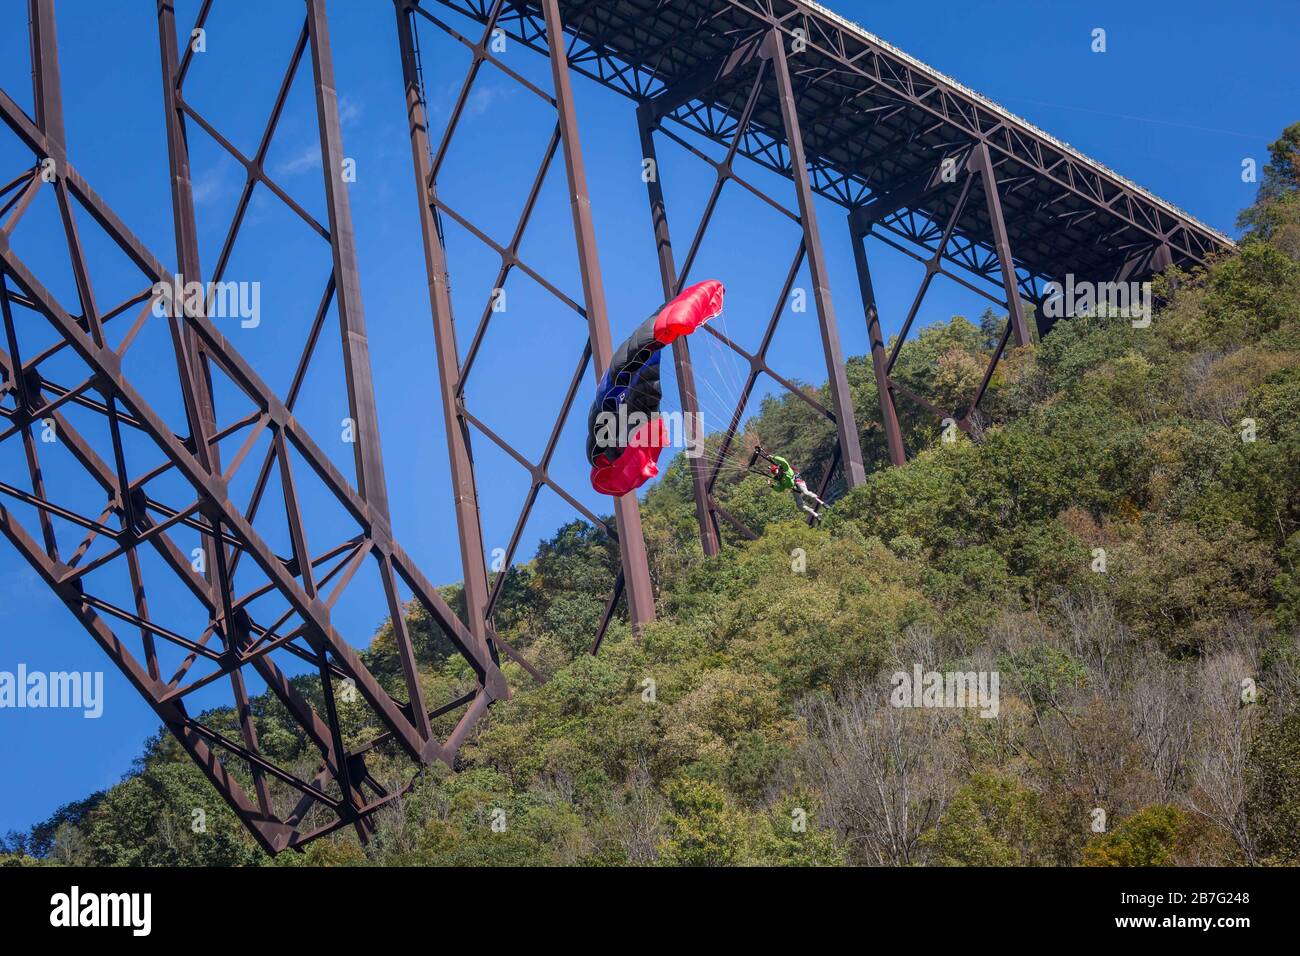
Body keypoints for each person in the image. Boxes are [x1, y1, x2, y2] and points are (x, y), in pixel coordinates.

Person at [757, 448, 826, 520]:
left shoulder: (785, 469)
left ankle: (821, 502)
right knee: (800, 507)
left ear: (778, 469)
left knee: (806, 492)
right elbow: (780, 489)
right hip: (794, 490)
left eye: (776, 471)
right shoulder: (779, 480)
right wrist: (771, 486)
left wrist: (773, 457)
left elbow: (783, 460)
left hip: (798, 482)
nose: (776, 473)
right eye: (774, 473)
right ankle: (815, 514)